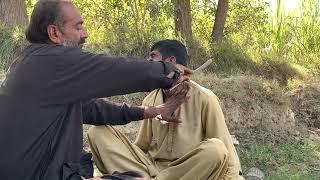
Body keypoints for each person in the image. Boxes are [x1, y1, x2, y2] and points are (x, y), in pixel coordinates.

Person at [0, 1, 192, 180]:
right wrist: (170, 72)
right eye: (78, 27)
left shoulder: (35, 63)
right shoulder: (51, 62)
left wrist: (153, 111)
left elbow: (90, 108)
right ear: (54, 33)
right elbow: (117, 71)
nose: (85, 34)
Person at [88, 39, 243, 180]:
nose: (148, 61)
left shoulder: (205, 98)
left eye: (153, 56)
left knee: (216, 149)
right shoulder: (150, 99)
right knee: (97, 133)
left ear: (171, 61)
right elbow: (142, 146)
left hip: (188, 173)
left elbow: (225, 151)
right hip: (150, 171)